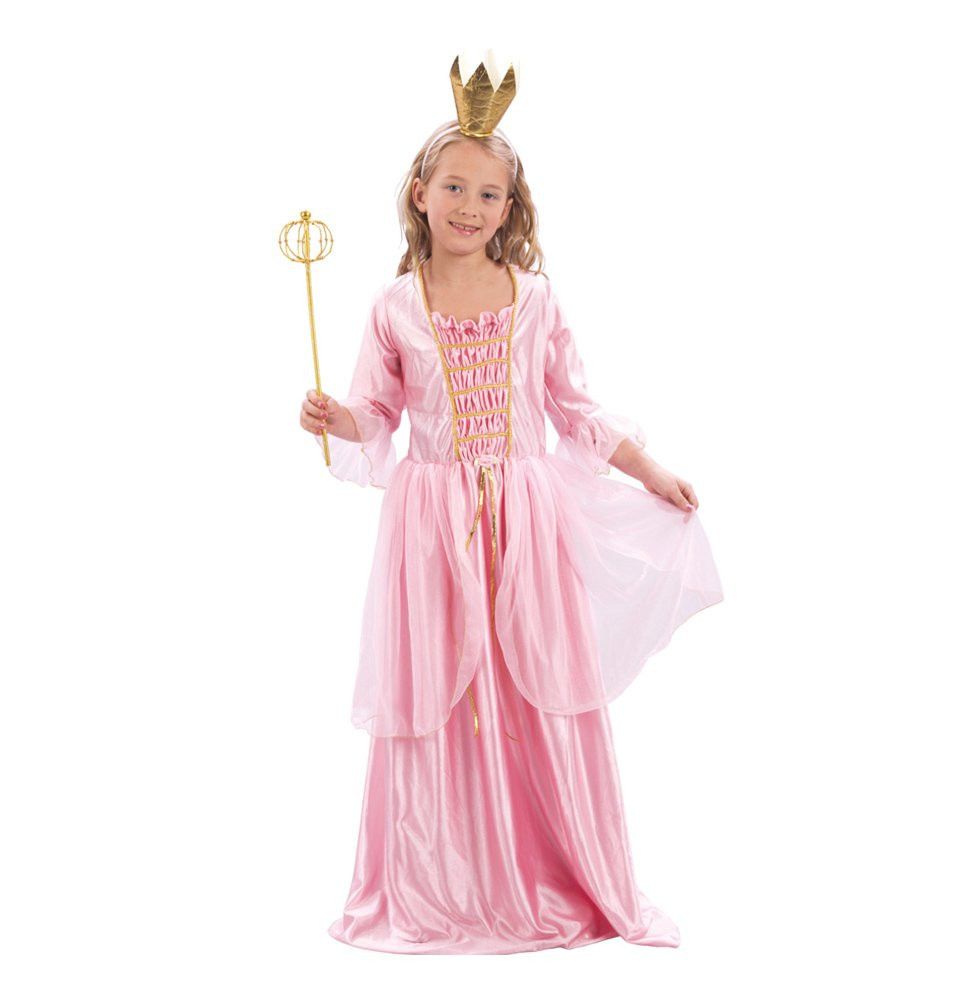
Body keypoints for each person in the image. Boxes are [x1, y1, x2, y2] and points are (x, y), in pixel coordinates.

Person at [297, 54, 724, 954]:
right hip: (431, 525)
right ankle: (442, 881)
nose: (469, 206)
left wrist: (650, 471)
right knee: (441, 685)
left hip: (526, 519)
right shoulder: (394, 305)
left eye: (488, 194)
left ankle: (555, 865)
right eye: (454, 187)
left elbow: (572, 407)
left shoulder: (535, 301)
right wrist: (340, 418)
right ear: (420, 194)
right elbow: (377, 414)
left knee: (539, 677)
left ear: (509, 208)